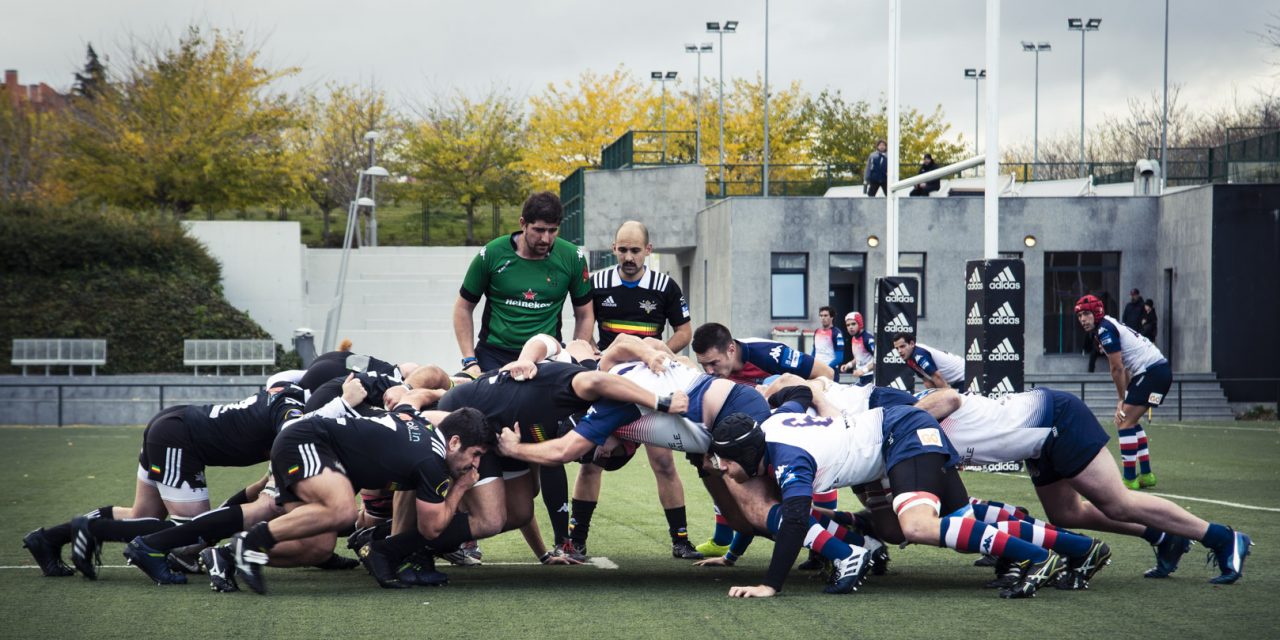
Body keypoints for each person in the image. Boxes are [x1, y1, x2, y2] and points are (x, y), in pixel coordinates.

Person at [706, 394, 1106, 599]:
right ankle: (1079, 547)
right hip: (891, 440)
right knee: (957, 520)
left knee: (917, 526)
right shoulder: (772, 424)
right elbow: (797, 393)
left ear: (745, 453)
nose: (720, 468)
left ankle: (1038, 558)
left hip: (900, 435)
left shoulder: (789, 459)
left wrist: (770, 585)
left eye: (724, 460)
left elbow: (794, 520)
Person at [21, 380, 361, 583]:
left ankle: (46, 539)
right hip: (179, 439)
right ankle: (91, 529)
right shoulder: (295, 412)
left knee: (145, 514)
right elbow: (287, 443)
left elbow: (253, 496)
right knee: (182, 534)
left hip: (175, 426)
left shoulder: (290, 392)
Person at [938, 385, 1252, 585]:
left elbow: (950, 396)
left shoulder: (914, 411)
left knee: (1118, 502)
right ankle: (1161, 535)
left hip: (1057, 418)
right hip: (1036, 444)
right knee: (1065, 513)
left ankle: (1222, 537)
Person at [452, 190, 593, 557]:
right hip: (493, 360)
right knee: (473, 442)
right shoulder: (491, 255)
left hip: (543, 365)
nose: (546, 238)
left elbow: (584, 314)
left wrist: (576, 355)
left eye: (553, 230)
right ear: (522, 224)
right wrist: (470, 362)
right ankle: (465, 537)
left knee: (547, 445)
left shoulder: (572, 257)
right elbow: (463, 308)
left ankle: (566, 542)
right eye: (539, 230)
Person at [228, 405, 496, 595]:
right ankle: (250, 542)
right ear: (454, 442)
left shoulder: (425, 428)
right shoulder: (432, 462)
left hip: (310, 445)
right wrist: (460, 487)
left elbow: (404, 405)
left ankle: (227, 556)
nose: (475, 464)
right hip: (307, 441)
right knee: (343, 511)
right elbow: (432, 528)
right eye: (475, 454)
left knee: (316, 547)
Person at [581, 220, 699, 559]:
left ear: (648, 250)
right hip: (610, 383)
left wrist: (662, 351)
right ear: (613, 248)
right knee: (592, 458)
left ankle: (680, 539)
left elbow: (685, 330)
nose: (628, 257)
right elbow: (584, 326)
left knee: (663, 462)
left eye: (635, 250)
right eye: (622, 249)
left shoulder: (665, 285)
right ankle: (576, 539)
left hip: (651, 382)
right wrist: (594, 354)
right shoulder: (598, 282)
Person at [1075, 294, 1168, 489]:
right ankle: (1146, 475)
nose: (1082, 319)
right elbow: (1124, 368)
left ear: (1096, 312)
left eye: (1086, 314)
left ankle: (1129, 479)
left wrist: (1120, 400)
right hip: (1159, 373)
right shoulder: (1108, 324)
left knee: (1123, 422)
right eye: (1079, 315)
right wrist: (1125, 397)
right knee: (1131, 422)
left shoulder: (1104, 329)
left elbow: (1117, 368)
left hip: (1151, 373)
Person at [692, 322, 835, 385]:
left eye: (713, 363)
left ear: (731, 350)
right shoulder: (716, 373)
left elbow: (827, 373)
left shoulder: (771, 355)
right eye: (703, 364)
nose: (708, 371)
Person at [892, 333, 965, 389]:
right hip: (956, 381)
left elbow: (937, 377)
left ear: (912, 344)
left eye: (902, 346)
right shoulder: (909, 358)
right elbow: (926, 381)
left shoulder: (919, 355)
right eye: (897, 348)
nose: (900, 351)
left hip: (964, 375)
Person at [838, 312, 876, 385]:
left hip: (870, 377)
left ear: (860, 324)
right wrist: (848, 365)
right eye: (848, 325)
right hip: (862, 377)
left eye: (853, 324)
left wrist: (863, 371)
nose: (850, 327)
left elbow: (878, 360)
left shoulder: (868, 339)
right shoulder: (854, 338)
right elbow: (859, 358)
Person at [809, 306, 845, 381]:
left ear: (832, 317)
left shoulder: (837, 333)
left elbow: (839, 358)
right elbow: (814, 351)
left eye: (825, 315)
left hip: (830, 371)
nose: (823, 318)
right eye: (821, 315)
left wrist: (825, 368)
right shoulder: (817, 331)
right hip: (817, 371)